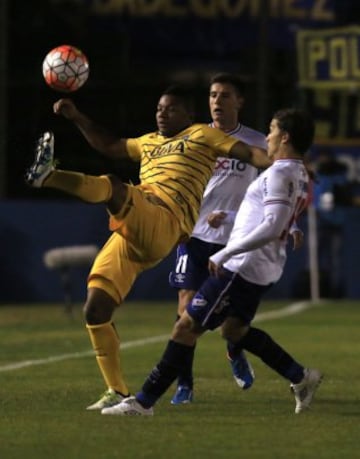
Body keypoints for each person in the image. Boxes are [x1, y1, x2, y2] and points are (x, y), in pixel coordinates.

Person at [25, 84, 271, 411]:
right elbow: (110, 145)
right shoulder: (148, 142)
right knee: (95, 309)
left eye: (170, 108)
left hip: (166, 219)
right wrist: (77, 117)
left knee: (113, 187)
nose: (161, 112)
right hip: (136, 228)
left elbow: (252, 154)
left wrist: (285, 161)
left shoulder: (202, 135)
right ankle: (117, 390)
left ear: (188, 114)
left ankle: (50, 176)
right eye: (159, 107)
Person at [101, 107, 323, 417]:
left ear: (285, 137)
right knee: (234, 330)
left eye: (272, 130)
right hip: (264, 267)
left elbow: (272, 225)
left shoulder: (279, 173)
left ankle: (143, 402)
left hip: (241, 266)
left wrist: (225, 253)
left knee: (186, 326)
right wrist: (231, 217)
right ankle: (300, 376)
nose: (268, 135)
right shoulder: (298, 173)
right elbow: (276, 218)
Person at [169, 73, 303, 404]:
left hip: (234, 240)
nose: (217, 101)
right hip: (195, 233)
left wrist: (293, 222)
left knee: (231, 321)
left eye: (225, 95)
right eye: (213, 95)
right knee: (185, 307)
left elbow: (285, 185)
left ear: (239, 102)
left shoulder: (259, 142)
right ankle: (184, 385)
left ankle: (235, 351)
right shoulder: (195, 138)